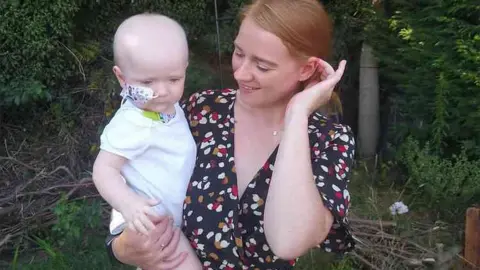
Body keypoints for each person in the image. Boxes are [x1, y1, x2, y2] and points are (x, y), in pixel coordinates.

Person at [106, 0, 356, 269]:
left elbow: (289, 242)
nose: (240, 73)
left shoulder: (329, 141)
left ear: (306, 69)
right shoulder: (199, 112)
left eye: (262, 66)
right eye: (239, 53)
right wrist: (121, 247)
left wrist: (296, 115)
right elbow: (134, 179)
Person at [92, 13, 202, 269]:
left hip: (175, 219)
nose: (163, 90)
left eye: (174, 79)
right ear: (122, 78)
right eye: (148, 82)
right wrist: (128, 204)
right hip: (154, 224)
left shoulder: (168, 107)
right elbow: (103, 169)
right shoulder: (131, 122)